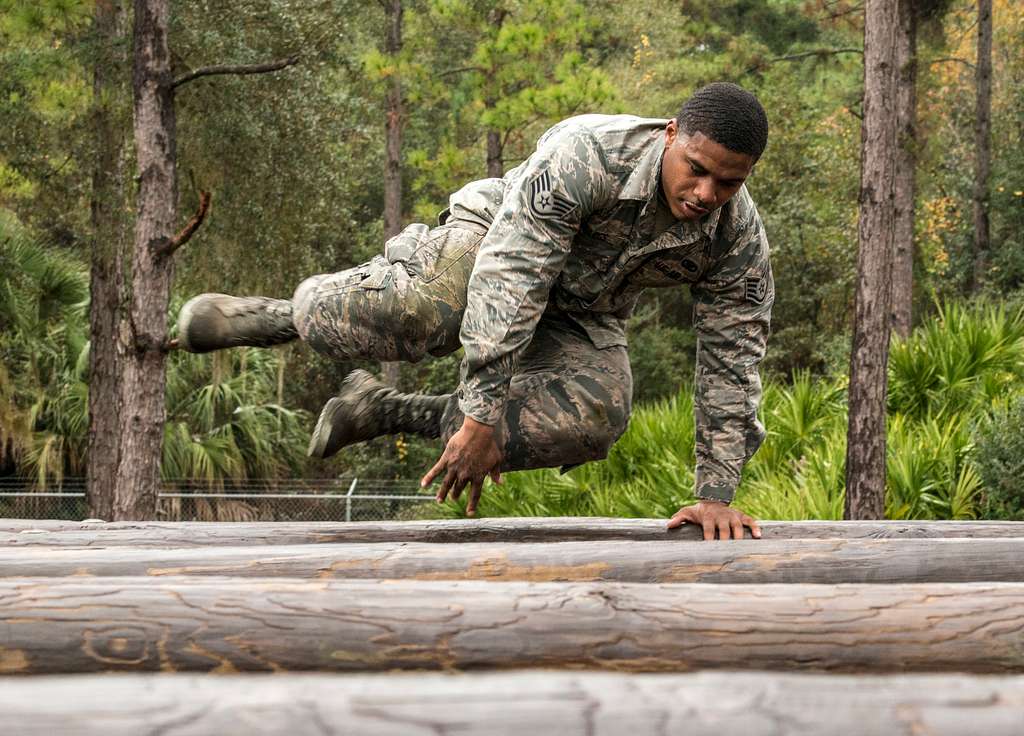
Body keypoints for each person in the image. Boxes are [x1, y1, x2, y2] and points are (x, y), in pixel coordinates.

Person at [176, 81, 772, 540]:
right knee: (423, 314)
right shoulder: (588, 156)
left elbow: (732, 361)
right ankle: (285, 315)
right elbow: (512, 279)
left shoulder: (737, 241)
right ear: (671, 134)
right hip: (491, 244)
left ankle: (380, 409)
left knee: (597, 414)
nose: (705, 195)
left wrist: (716, 493)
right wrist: (481, 416)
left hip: (579, 310)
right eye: (696, 170)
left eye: (727, 183)